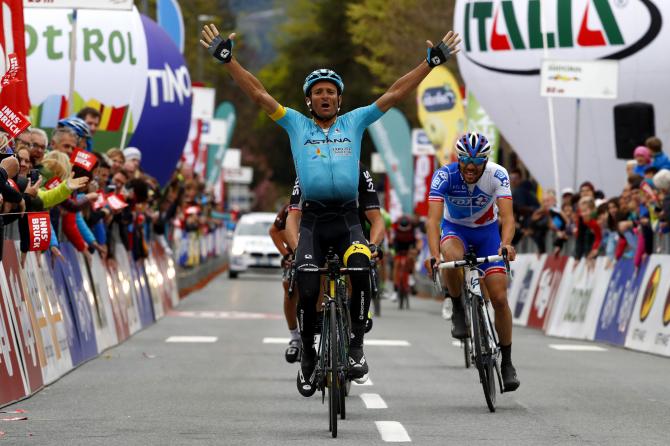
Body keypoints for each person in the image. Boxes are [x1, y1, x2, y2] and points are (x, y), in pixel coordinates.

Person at [200, 23, 461, 396]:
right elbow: (258, 94)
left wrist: (430, 63)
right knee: (306, 283)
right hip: (313, 222)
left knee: (359, 265)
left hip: (347, 219)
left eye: (331, 93)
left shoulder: (355, 121)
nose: (325, 97)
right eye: (318, 93)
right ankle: (307, 355)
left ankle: (355, 346)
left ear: (340, 100)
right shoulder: (295, 124)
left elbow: (394, 94)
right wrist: (229, 61)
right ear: (309, 100)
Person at [425, 132, 520, 392]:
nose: (470, 167)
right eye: (465, 160)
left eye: (476, 162)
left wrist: (506, 243)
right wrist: (434, 254)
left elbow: (509, 217)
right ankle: (457, 306)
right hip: (455, 230)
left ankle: (508, 361)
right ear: (459, 158)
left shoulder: (497, 174)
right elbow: (432, 221)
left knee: (499, 299)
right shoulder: (444, 175)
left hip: (487, 233)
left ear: (485, 161)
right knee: (451, 258)